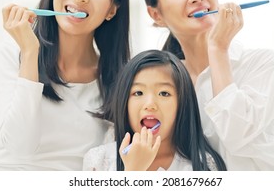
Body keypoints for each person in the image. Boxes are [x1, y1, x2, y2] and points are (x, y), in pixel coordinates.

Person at [142, 0, 274, 170]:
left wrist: (218, 49)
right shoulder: (166, 84)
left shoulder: (263, 64)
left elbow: (236, 134)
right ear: (156, 15)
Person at [0, 0, 130, 170]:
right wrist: (30, 53)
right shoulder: (12, 53)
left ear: (112, 9)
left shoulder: (118, 79)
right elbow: (19, 147)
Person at [83, 49, 227, 171]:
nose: (150, 104)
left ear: (182, 103)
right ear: (124, 102)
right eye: (138, 93)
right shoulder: (99, 161)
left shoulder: (203, 165)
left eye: (164, 93)